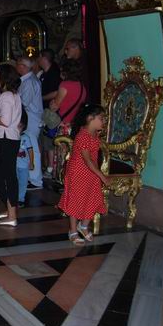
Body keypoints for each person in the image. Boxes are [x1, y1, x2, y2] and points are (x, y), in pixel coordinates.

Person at [58, 104, 110, 245]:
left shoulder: (95, 134)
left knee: (94, 198)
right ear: (90, 118)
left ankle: (84, 226)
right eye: (101, 118)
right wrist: (102, 176)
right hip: (78, 172)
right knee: (76, 201)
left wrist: (97, 175)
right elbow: (87, 160)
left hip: (91, 173)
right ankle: (73, 231)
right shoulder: (82, 136)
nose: (104, 121)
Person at [0, 64, 22, 227]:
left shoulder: (7, 96)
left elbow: (6, 120)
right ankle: (10, 211)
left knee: (7, 176)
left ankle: (12, 216)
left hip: (6, 140)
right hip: (11, 139)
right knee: (5, 175)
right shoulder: (14, 95)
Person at [16, 57, 44, 189]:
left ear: (23, 67)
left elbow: (24, 102)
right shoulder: (27, 81)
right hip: (30, 118)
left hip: (31, 118)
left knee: (32, 147)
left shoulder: (29, 82)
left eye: (18, 65)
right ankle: (30, 176)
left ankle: (35, 179)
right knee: (29, 147)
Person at [38, 49, 61, 176]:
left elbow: (57, 92)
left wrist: (41, 98)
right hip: (44, 111)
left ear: (43, 58)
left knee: (49, 140)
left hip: (51, 112)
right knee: (44, 140)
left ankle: (51, 168)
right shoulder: (43, 74)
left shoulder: (53, 73)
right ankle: (46, 165)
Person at [50, 59, 87, 136]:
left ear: (65, 71)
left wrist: (51, 103)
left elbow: (54, 107)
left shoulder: (65, 85)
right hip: (75, 125)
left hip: (64, 125)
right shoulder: (81, 86)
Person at [16, 116, 34, 206]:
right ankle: (14, 197)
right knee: (15, 181)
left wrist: (31, 162)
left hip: (23, 165)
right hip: (14, 164)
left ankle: (21, 198)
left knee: (23, 182)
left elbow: (30, 150)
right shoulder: (12, 136)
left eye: (19, 125)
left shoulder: (25, 138)